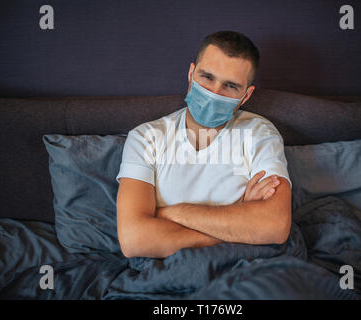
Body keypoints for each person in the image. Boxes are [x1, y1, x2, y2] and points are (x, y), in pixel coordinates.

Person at [116, 31, 292, 258]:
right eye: (207, 77)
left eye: (229, 86)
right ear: (191, 73)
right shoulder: (145, 137)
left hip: (241, 268)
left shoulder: (260, 134)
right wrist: (240, 225)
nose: (213, 93)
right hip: (168, 270)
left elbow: (274, 226)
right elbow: (134, 240)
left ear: (246, 96)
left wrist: (172, 214)